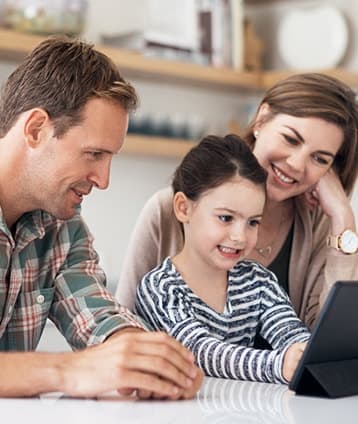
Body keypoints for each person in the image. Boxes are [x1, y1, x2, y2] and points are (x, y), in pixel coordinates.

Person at [0, 35, 203, 399]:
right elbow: (77, 369)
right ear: (35, 130)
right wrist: (68, 370)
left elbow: (98, 316)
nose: (103, 180)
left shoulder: (64, 231)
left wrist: (142, 359)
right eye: (93, 154)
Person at [116, 73, 358, 328]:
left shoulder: (322, 227)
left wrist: (343, 217)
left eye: (320, 159)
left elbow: (333, 337)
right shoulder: (167, 209)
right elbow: (124, 326)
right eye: (290, 139)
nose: (297, 165)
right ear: (262, 120)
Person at [135, 135, 311, 383]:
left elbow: (290, 331)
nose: (240, 237)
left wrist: (303, 352)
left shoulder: (258, 282)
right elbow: (198, 352)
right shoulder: (160, 288)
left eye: (253, 222)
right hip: (182, 415)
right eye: (226, 218)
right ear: (184, 208)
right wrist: (278, 364)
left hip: (243, 414)